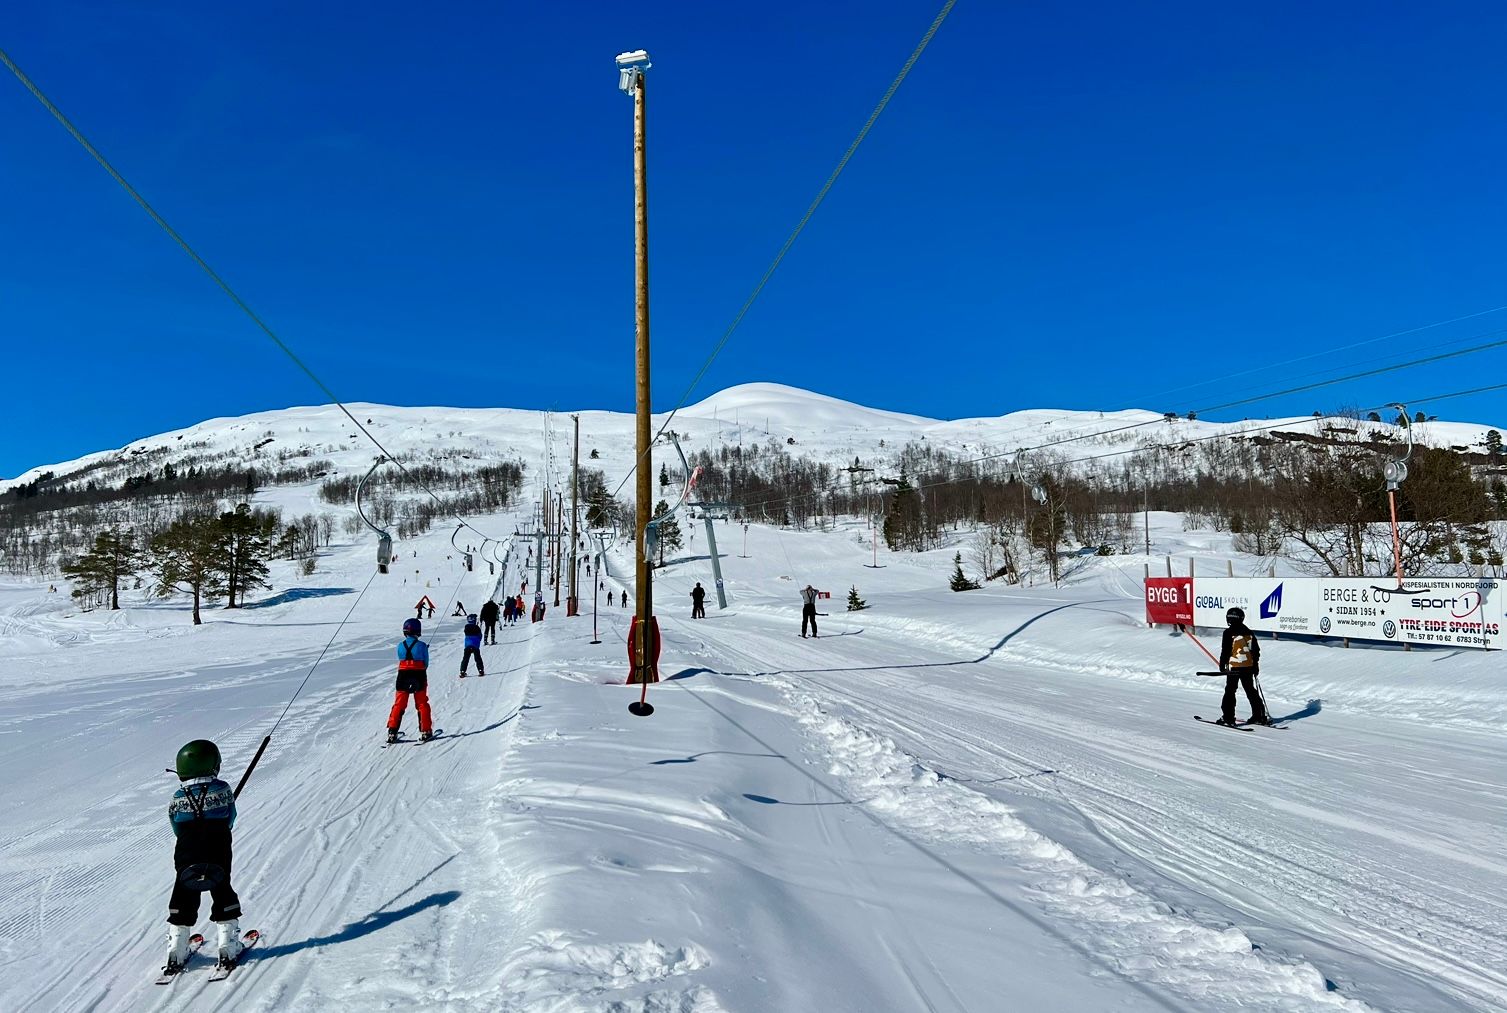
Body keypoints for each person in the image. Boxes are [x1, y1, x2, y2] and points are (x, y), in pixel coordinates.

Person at [164, 739, 245, 973]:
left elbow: (175, 825)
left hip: (186, 852)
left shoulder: (178, 797)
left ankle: (176, 949)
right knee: (222, 888)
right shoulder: (222, 788)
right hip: (218, 848)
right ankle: (228, 944)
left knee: (183, 892)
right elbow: (231, 816)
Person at [1217, 607, 1270, 726]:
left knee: (1230, 691)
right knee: (1250, 690)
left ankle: (1228, 717)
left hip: (1234, 666)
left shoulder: (1228, 632)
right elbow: (1256, 650)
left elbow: (1226, 650)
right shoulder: (1249, 632)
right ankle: (1259, 715)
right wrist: (1255, 665)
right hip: (1248, 666)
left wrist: (1222, 663)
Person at [389, 618, 435, 743]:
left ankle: (392, 732)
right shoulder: (422, 646)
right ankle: (426, 731)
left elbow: (401, 658)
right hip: (419, 675)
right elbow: (425, 664)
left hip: (403, 675)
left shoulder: (400, 645)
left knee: (399, 703)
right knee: (421, 703)